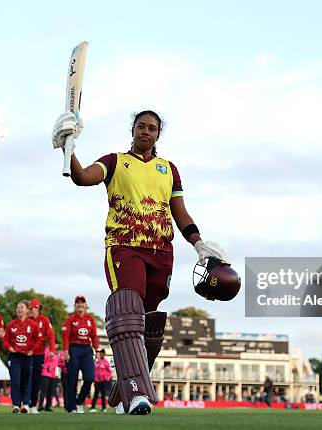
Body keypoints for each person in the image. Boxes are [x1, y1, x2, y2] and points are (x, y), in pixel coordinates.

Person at [51, 109, 227, 415]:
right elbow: (82, 178)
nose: (146, 131)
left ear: (158, 135)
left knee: (150, 325)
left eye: (152, 128)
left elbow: (179, 212)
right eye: (141, 126)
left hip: (161, 251)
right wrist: (69, 147)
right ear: (132, 130)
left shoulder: (168, 169)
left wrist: (198, 243)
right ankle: (137, 394)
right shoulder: (116, 161)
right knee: (128, 310)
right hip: (124, 246)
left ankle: (122, 396)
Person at [61, 295, 98, 413]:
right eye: (78, 303)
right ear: (75, 305)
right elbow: (65, 337)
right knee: (72, 379)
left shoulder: (90, 319)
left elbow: (94, 336)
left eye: (82, 303)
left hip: (87, 349)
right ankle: (71, 407)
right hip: (74, 349)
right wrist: (66, 351)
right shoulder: (70, 319)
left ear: (86, 305)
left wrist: (96, 350)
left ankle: (79, 401)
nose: (80, 305)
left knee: (89, 377)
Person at [3, 300, 38, 413]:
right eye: (17, 307)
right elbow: (5, 340)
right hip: (14, 357)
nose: (19, 309)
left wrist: (33, 350)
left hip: (27, 357)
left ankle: (26, 404)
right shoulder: (11, 325)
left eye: (22, 307)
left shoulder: (33, 325)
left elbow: (39, 340)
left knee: (26, 381)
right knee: (15, 381)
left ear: (27, 310)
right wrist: (9, 348)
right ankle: (16, 405)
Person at [28, 299, 56, 413]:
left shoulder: (44, 320)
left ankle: (33, 404)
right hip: (26, 353)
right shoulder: (27, 320)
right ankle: (23, 403)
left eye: (31, 308)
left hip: (39, 353)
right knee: (25, 379)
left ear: (37, 308)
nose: (29, 310)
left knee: (35, 380)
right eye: (29, 308)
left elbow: (51, 335)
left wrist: (52, 349)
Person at [38, 343, 59, 412]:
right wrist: (49, 356)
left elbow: (57, 363)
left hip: (53, 375)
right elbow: (43, 360)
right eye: (55, 344)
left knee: (51, 391)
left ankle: (48, 406)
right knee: (44, 390)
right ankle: (40, 405)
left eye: (57, 345)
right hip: (45, 373)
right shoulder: (47, 350)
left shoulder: (56, 353)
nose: (56, 346)